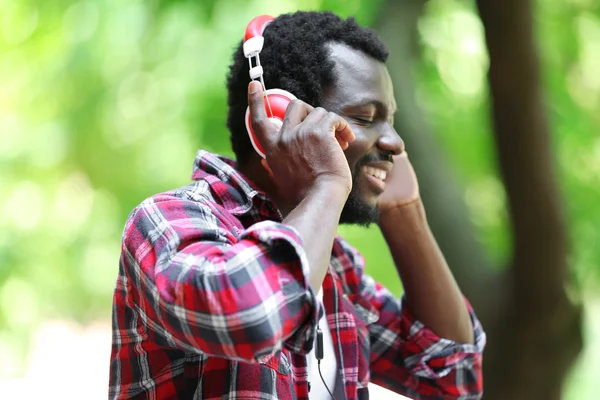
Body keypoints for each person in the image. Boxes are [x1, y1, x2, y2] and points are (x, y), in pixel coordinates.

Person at [109, 10, 486, 400]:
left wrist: (406, 214)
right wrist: (328, 183)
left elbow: (453, 380)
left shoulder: (339, 269)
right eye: (365, 117)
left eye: (391, 121)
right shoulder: (169, 221)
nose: (395, 142)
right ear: (275, 120)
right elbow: (252, 317)